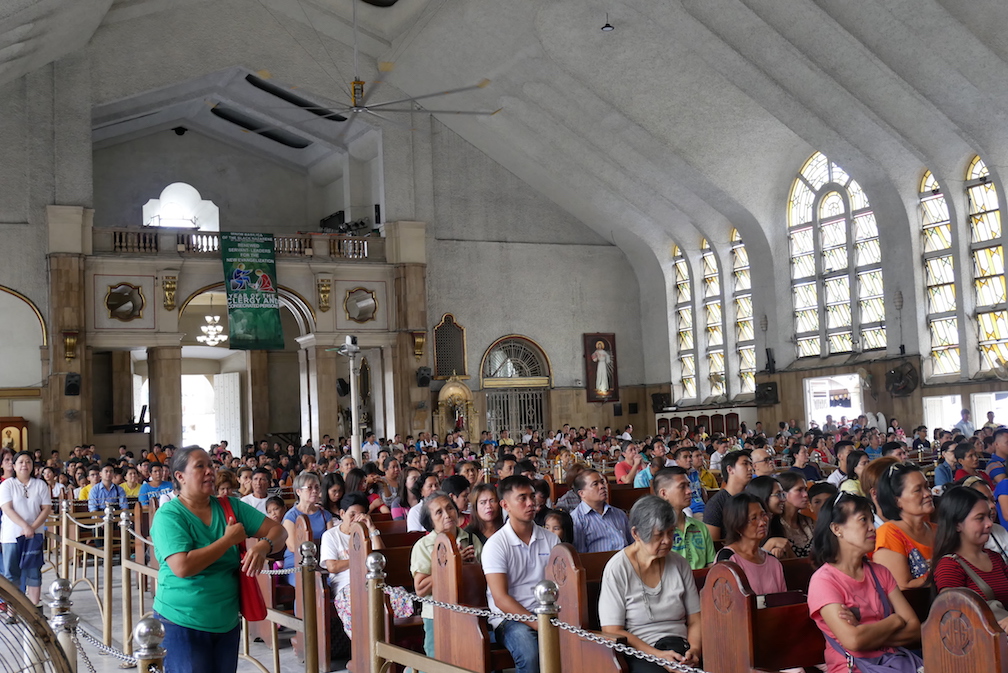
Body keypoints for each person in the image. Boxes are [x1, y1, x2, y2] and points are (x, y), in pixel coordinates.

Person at [151, 447, 286, 673]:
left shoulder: (229, 506)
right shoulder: (169, 515)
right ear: (180, 476)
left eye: (210, 466)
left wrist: (264, 545)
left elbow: (279, 532)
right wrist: (227, 540)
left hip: (225, 620)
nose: (209, 472)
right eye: (200, 466)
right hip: (182, 620)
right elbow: (182, 566)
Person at [807, 492, 923, 673]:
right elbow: (853, 641)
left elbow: (915, 630)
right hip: (852, 668)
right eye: (863, 520)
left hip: (893, 663)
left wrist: (865, 633)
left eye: (872, 520)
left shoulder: (880, 572)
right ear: (837, 529)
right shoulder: (824, 581)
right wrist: (895, 621)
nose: (873, 528)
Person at [599, 496, 702, 670]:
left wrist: (695, 650)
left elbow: (695, 620)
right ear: (636, 534)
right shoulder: (618, 568)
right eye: (658, 535)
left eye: (670, 532)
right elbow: (612, 630)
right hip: (641, 651)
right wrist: (659, 656)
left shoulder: (679, 563)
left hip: (681, 646)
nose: (667, 541)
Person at [482, 476, 561, 673]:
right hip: (510, 619)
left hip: (549, 611)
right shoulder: (496, 545)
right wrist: (537, 623)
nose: (530, 503)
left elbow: (562, 585)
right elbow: (500, 599)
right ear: (505, 505)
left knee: (581, 644)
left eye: (532, 496)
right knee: (530, 653)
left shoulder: (551, 539)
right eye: (522, 498)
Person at [411, 491, 482, 656]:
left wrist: (471, 566)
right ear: (430, 521)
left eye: (450, 508)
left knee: (470, 660)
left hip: (470, 609)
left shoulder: (471, 540)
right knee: (438, 662)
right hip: (436, 613)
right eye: (439, 512)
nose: (447, 514)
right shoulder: (424, 546)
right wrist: (453, 563)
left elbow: (484, 575)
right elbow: (421, 589)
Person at [931, 486, 1008, 631]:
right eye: (980, 518)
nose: (989, 523)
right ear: (957, 524)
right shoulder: (950, 565)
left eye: (988, 516)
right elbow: (953, 618)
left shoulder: (995, 557)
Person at [320, 492, 385, 638]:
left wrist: (372, 528)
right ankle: (364, 647)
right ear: (342, 513)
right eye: (352, 514)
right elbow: (332, 566)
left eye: (360, 514)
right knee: (357, 607)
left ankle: (390, 643)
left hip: (371, 581)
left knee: (390, 601)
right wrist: (360, 561)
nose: (356, 519)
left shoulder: (366, 533)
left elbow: (380, 557)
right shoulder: (331, 536)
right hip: (345, 585)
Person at [0, 451, 51, 604]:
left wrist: (32, 528)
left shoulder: (40, 484)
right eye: (20, 462)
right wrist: (25, 526)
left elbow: (46, 508)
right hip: (12, 536)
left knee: (34, 573)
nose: (24, 465)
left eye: (28, 462)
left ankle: (34, 611)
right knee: (11, 574)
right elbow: (7, 508)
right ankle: (13, 610)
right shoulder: (7, 485)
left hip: (33, 536)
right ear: (14, 466)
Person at [873, 462, 935, 589]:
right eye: (918, 490)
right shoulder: (889, 533)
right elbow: (901, 588)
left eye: (927, 487)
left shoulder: (938, 530)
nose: (928, 493)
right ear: (897, 501)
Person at [714, 493, 787, 595]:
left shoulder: (772, 560)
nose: (762, 522)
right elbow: (725, 603)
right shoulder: (728, 559)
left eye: (763, 515)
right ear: (737, 526)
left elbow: (783, 600)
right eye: (754, 518)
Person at [653, 467, 715, 569]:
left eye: (688, 486)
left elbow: (711, 565)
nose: (689, 491)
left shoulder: (700, 527)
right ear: (664, 493)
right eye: (682, 487)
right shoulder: (655, 530)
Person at [281, 472, 333, 585]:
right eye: (309, 488)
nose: (314, 491)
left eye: (317, 487)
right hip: (296, 563)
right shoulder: (291, 516)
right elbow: (292, 546)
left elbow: (332, 542)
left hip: (320, 561)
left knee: (332, 583)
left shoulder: (325, 515)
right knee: (307, 583)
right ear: (298, 491)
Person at [703, 450, 754, 540]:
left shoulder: (753, 498)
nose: (750, 468)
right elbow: (714, 543)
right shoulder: (716, 504)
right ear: (730, 469)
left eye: (751, 464)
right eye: (745, 464)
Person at [745, 475, 794, 559]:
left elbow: (794, 562)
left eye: (783, 494)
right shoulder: (747, 527)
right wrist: (770, 544)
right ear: (764, 495)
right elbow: (748, 564)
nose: (783, 499)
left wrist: (785, 550)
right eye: (778, 494)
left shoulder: (777, 525)